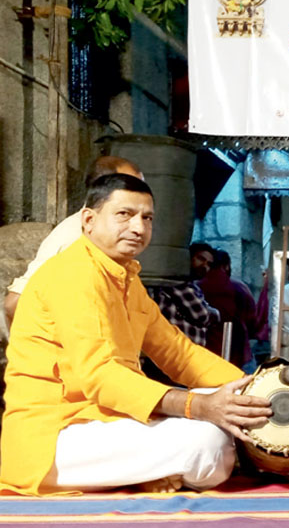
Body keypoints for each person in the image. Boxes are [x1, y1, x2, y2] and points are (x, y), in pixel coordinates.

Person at [0, 174, 272, 495]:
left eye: (147, 218)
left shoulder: (125, 278)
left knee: (223, 422)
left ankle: (143, 474)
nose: (138, 228)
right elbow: (100, 377)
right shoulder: (72, 274)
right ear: (89, 220)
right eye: (124, 215)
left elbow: (178, 354)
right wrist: (198, 406)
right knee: (208, 444)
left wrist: (254, 391)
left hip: (104, 424)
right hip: (54, 437)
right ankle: (141, 473)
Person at [4, 156, 142, 328]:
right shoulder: (75, 236)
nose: (141, 194)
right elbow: (14, 304)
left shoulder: (113, 241)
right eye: (129, 186)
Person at [148, 242, 221, 347]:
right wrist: (214, 313)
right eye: (201, 259)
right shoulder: (176, 282)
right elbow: (201, 314)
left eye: (209, 264)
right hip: (172, 352)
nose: (205, 266)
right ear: (189, 258)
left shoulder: (192, 286)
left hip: (185, 354)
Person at [200, 250, 257, 372]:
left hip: (207, 354)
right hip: (240, 353)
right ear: (226, 266)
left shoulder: (197, 286)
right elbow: (252, 320)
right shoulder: (239, 287)